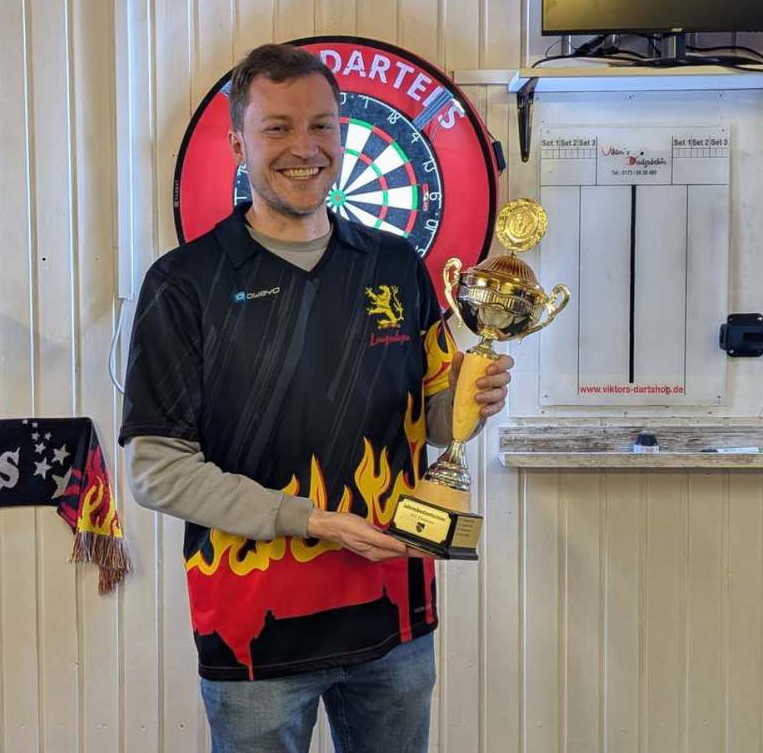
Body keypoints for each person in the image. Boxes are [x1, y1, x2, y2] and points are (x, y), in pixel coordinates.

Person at [119, 43, 514, 753]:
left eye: (322, 125)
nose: (305, 147)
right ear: (237, 143)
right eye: (277, 127)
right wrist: (311, 520)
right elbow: (157, 469)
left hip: (393, 619)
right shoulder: (184, 283)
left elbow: (430, 424)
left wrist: (471, 403)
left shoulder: (396, 262)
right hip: (254, 636)